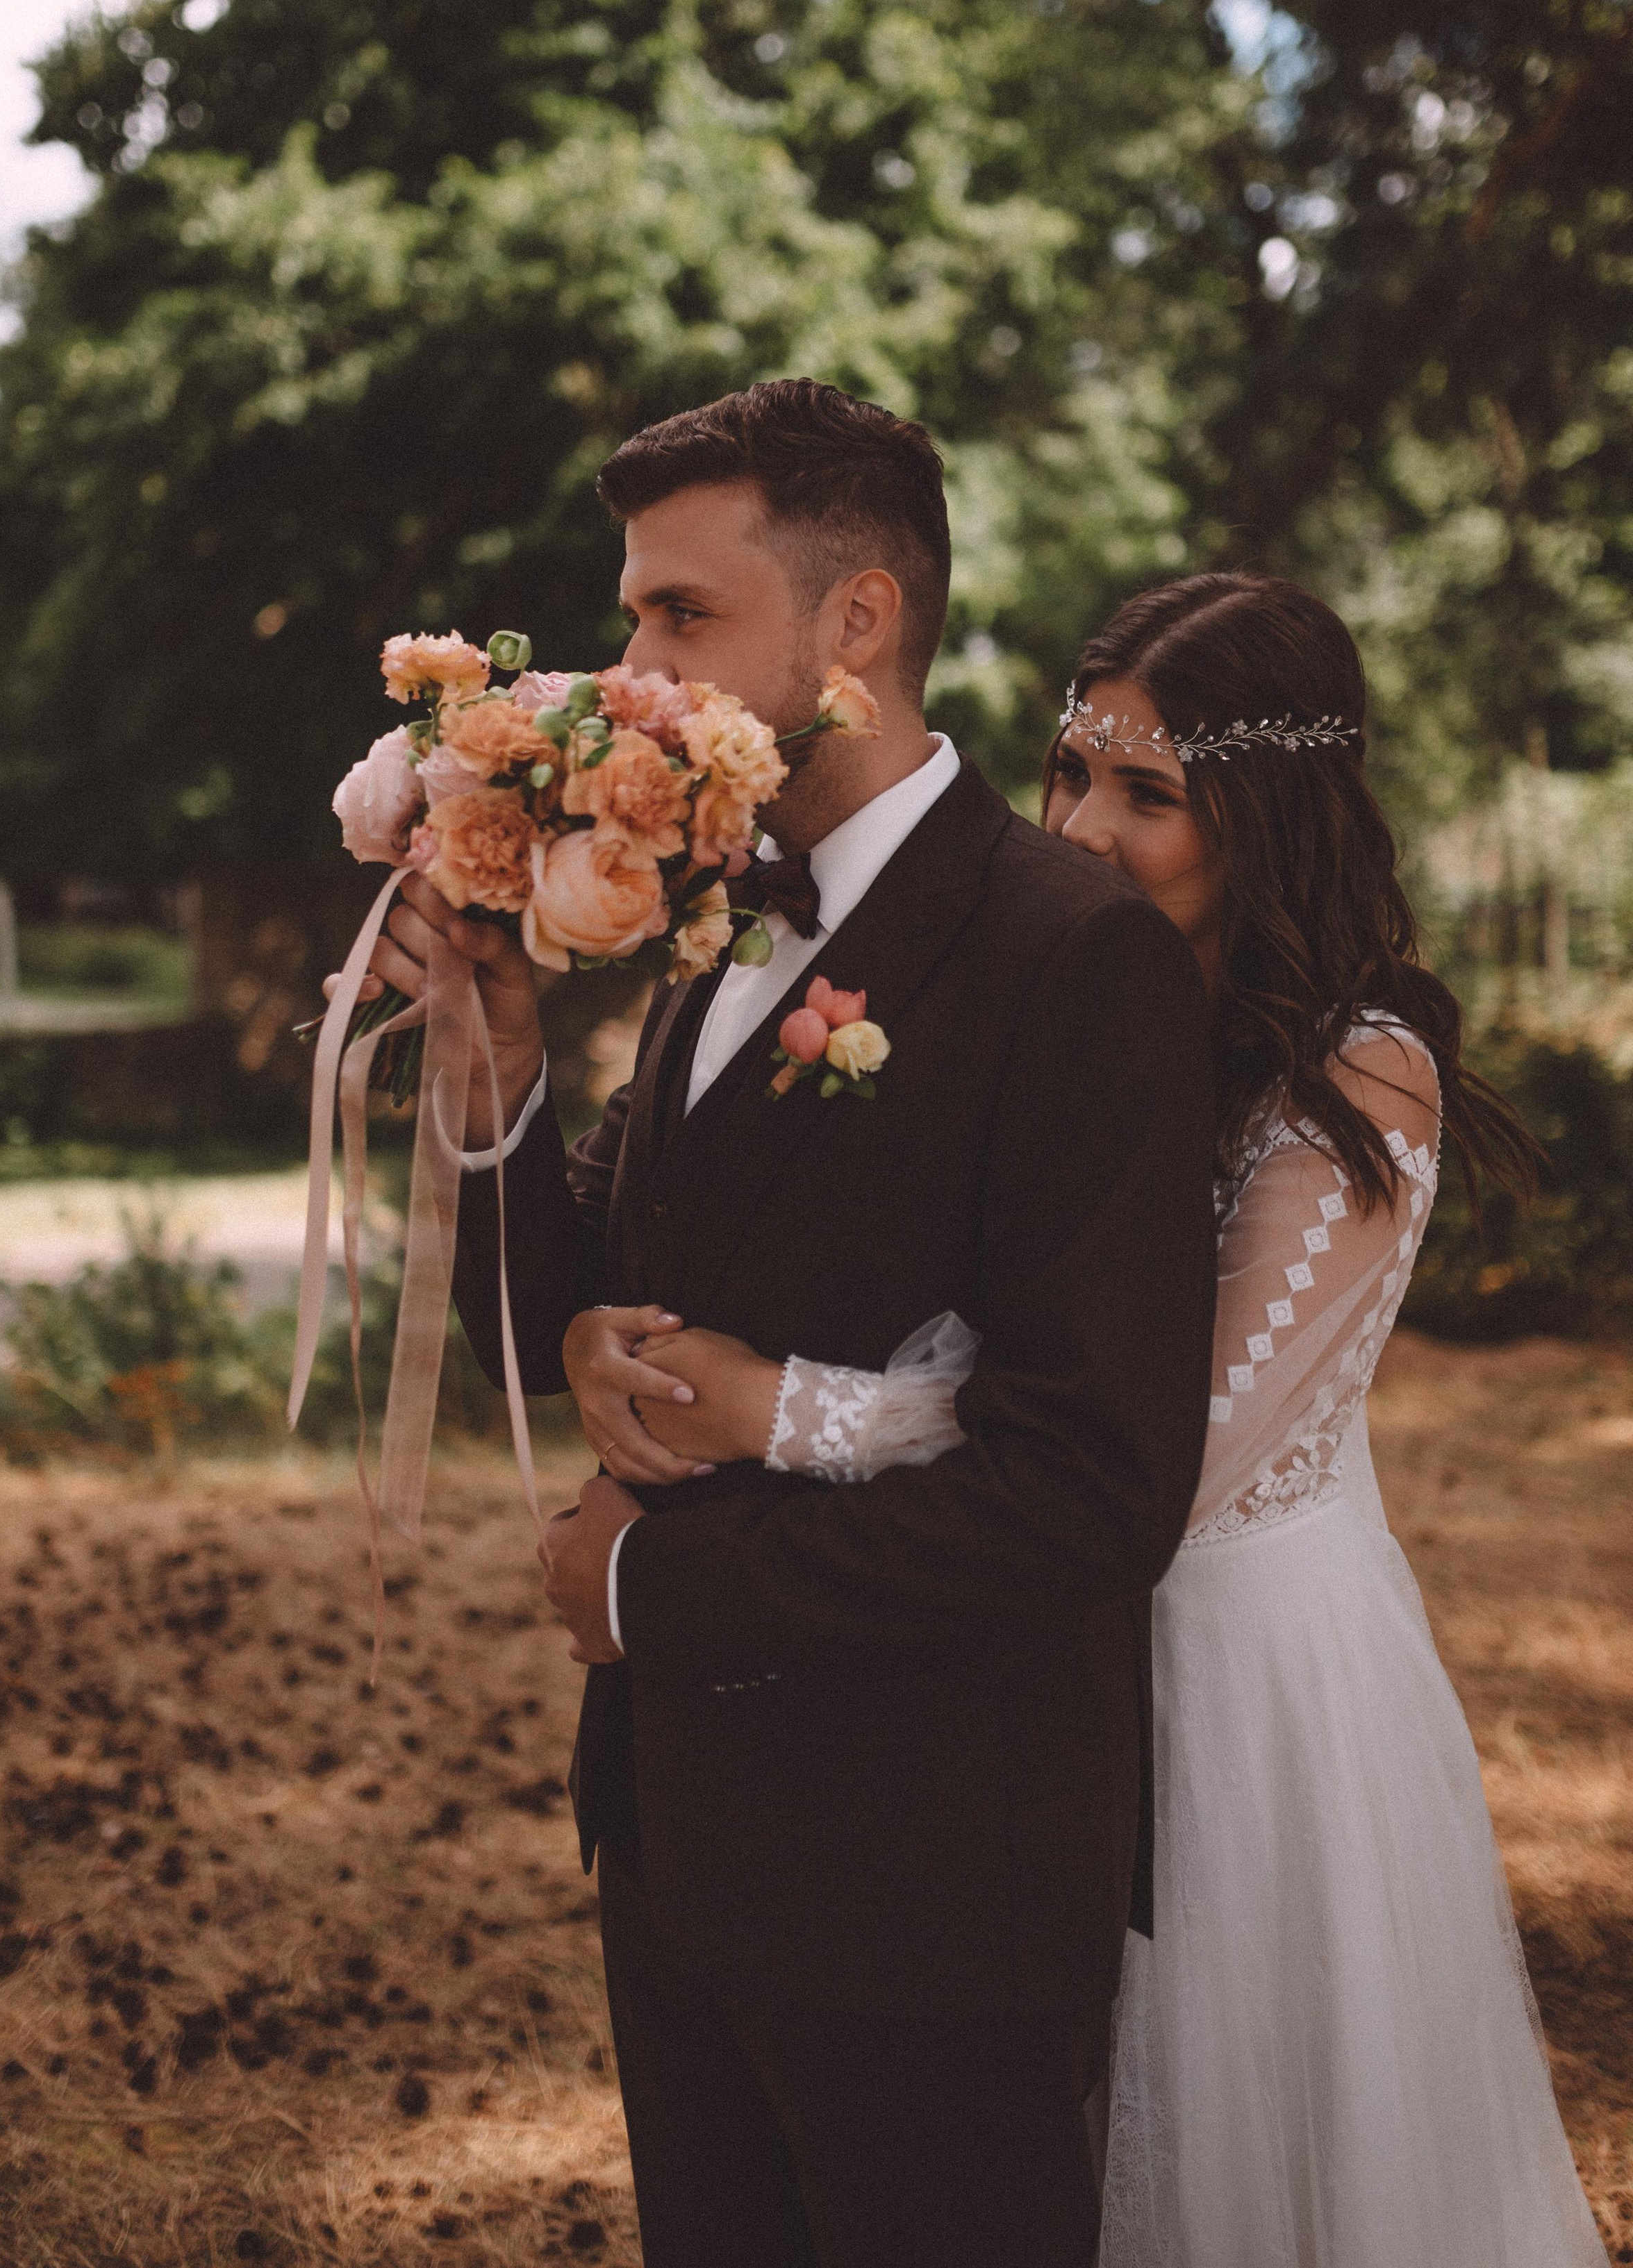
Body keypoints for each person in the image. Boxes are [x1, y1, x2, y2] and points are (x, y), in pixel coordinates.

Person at [601, 572, 1609, 2268]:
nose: (1080, 826)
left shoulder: (1352, 1073)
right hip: (1009, 1650)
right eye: (1072, 771)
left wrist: (782, 1411)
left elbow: (1160, 1450)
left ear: (1269, 822)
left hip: (1237, 1670)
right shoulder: (1046, 1001)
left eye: (1149, 796)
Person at [351, 378, 1219, 2267]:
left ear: (855, 624)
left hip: (930, 1890)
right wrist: (497, 1073)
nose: (628, 663)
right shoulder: (704, 911)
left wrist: (656, 1593)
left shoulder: (1073, 960)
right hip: (680, 1858)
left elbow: (1092, 1488)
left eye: (681, 613)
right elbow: (561, 1322)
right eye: (632, 608)